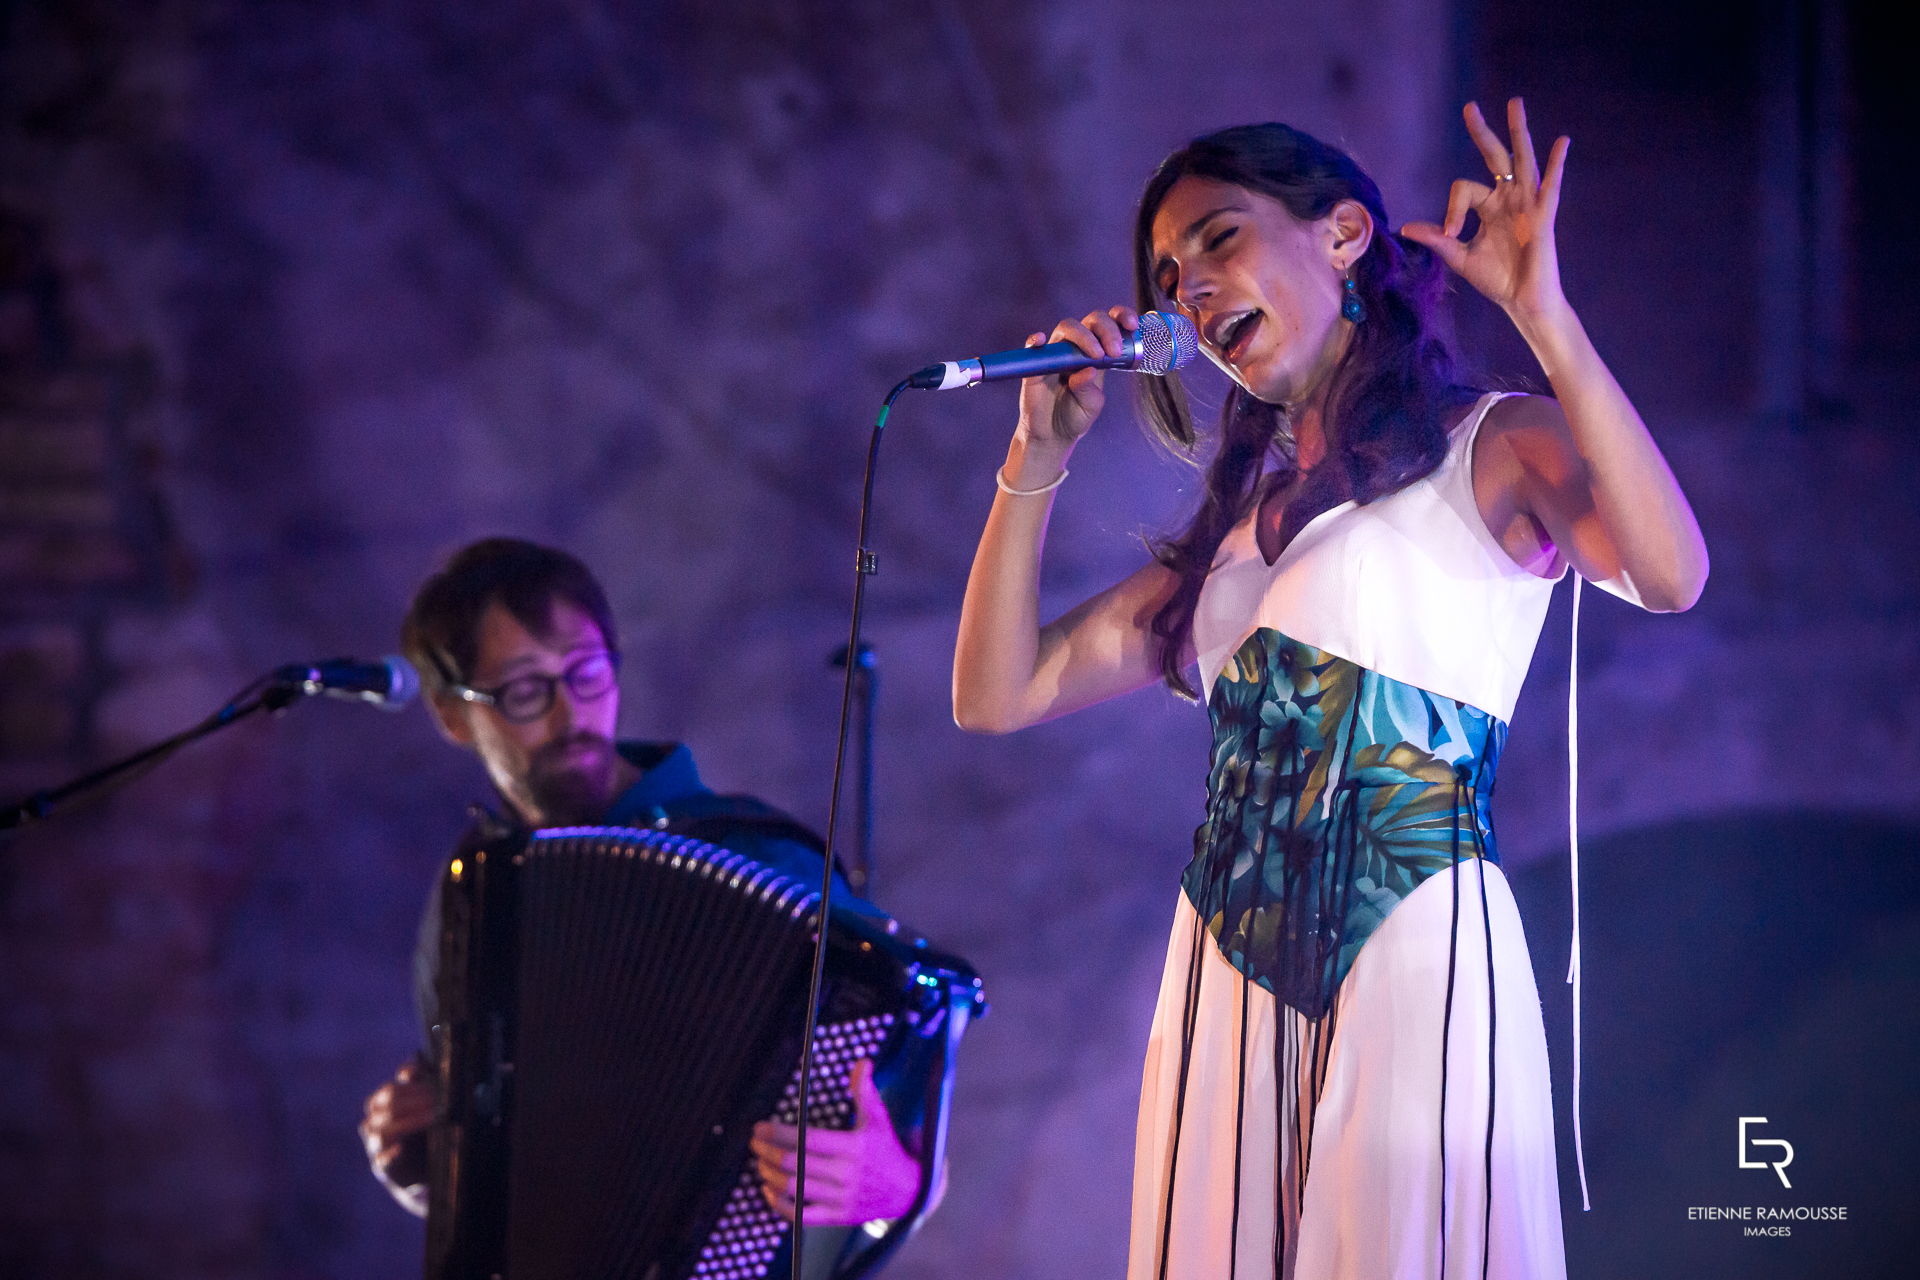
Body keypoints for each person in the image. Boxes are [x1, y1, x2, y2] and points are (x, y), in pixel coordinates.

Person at [952, 100, 1707, 1279]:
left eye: (1218, 238)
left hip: (1410, 938)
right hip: (1225, 973)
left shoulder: (1490, 445)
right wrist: (1033, 462)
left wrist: (1545, 319)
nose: (1189, 290)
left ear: (1344, 234)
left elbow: (1669, 573)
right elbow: (994, 694)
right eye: (1167, 273)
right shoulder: (1228, 548)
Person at [358, 537, 924, 1230]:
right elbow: (489, 1167)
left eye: (588, 672)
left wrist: (898, 1188)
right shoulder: (471, 899)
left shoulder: (757, 859)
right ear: (453, 715)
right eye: (528, 690)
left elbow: (906, 1114)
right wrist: (422, 1165)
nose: (572, 718)